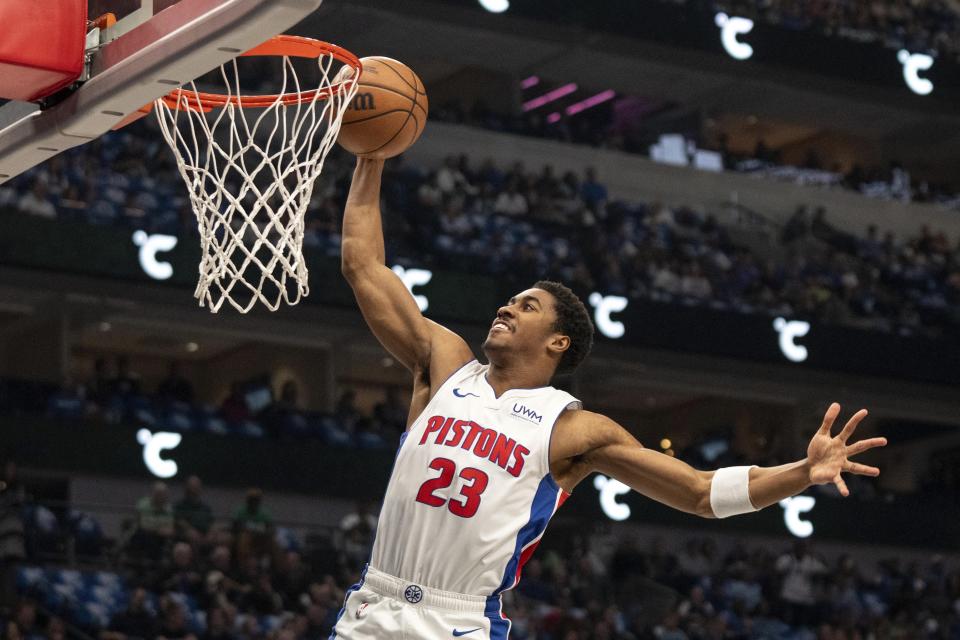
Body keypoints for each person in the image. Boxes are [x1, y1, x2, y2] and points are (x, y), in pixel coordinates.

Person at [332, 157, 888, 639]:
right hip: (373, 603)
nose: (505, 308)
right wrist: (372, 156)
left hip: (458, 621)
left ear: (558, 341)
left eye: (526, 306)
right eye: (509, 300)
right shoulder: (443, 363)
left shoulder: (574, 429)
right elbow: (364, 266)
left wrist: (802, 471)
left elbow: (697, 492)